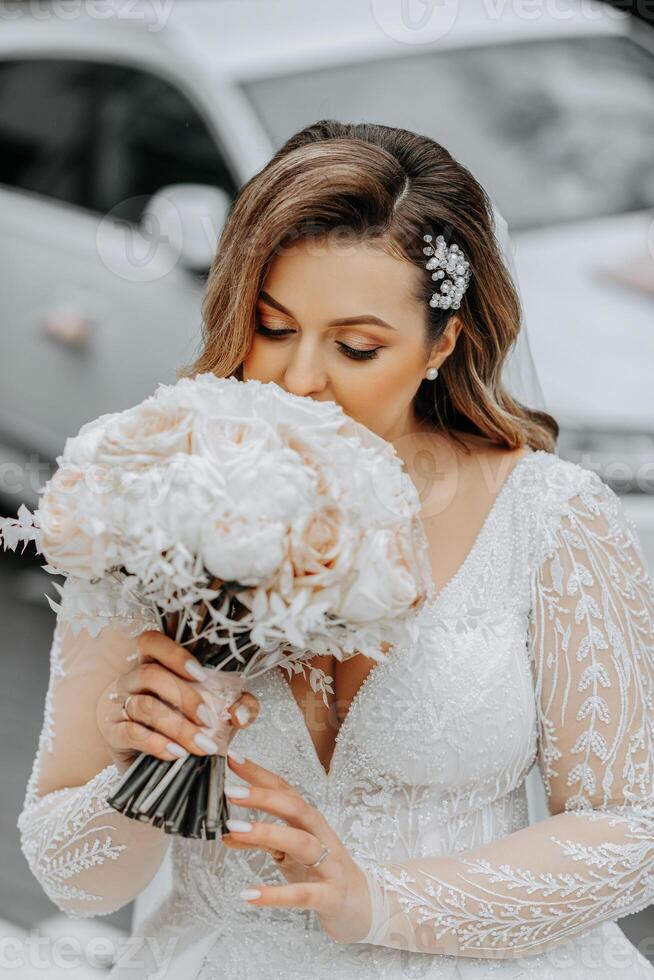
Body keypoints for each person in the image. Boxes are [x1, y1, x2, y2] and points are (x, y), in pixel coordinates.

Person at [17, 121, 654, 979]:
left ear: (443, 344)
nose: (300, 379)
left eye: (357, 346)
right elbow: (78, 885)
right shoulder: (153, 494)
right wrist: (131, 756)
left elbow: (627, 830)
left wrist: (377, 899)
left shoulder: (550, 516)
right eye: (272, 327)